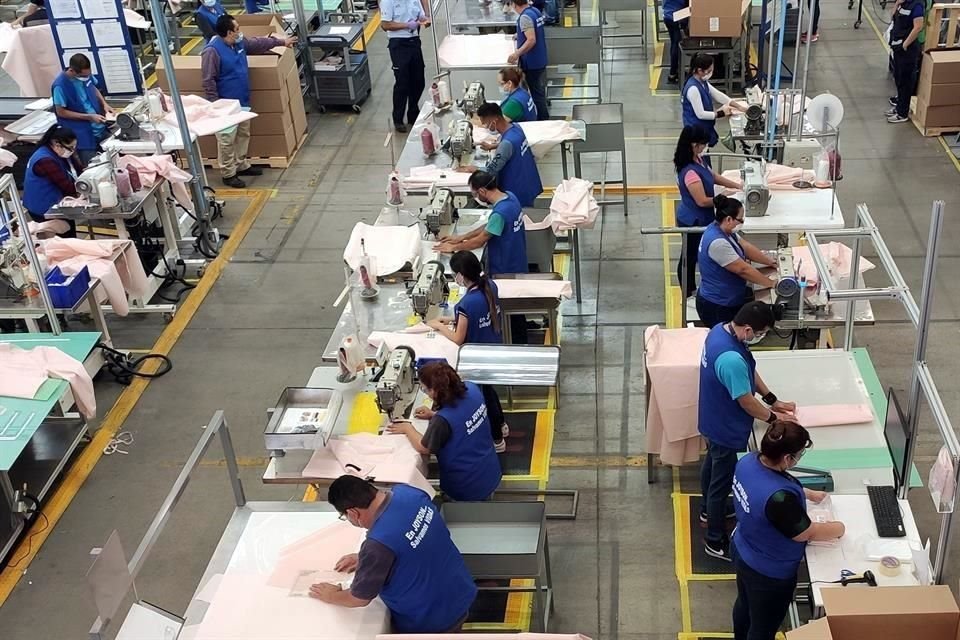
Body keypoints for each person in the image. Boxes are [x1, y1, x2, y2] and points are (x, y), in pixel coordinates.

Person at [309, 475, 477, 633]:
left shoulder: (378, 545)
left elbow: (358, 598)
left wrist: (332, 595)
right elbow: (411, 540)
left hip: (430, 619)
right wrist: (366, 559)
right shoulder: (409, 492)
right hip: (458, 591)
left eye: (345, 516)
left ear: (353, 513)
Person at [698, 300, 796, 561]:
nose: (761, 338)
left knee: (713, 464)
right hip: (724, 426)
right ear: (749, 330)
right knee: (721, 482)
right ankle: (715, 540)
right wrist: (775, 418)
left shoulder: (721, 331)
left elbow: (748, 371)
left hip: (712, 416)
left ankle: (707, 510)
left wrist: (773, 399)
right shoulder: (729, 358)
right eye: (761, 333)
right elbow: (745, 400)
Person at [732, 421, 845, 639]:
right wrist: (838, 528)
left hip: (743, 549)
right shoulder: (778, 499)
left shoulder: (749, 461)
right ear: (787, 458)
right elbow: (805, 532)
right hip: (767, 573)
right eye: (799, 454)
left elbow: (766, 482)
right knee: (763, 626)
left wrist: (805, 493)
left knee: (745, 605)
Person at [426, 250, 511, 452]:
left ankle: (497, 439)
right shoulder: (490, 286)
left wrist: (439, 326)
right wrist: (452, 320)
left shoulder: (466, 303)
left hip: (477, 357)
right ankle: (501, 424)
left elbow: (458, 339)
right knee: (491, 390)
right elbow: (481, 315)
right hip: (493, 348)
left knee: (485, 396)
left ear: (461, 276)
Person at [201, 14, 297, 187]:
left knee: (243, 134)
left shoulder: (238, 43)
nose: (240, 32)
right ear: (229, 32)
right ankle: (228, 173)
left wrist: (281, 42)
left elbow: (256, 44)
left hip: (242, 101)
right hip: (225, 106)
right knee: (226, 140)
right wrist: (216, 106)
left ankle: (241, 164)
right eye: (237, 29)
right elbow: (208, 80)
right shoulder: (212, 51)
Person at [388, 361, 503, 497]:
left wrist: (408, 428)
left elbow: (425, 447)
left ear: (435, 391)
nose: (426, 394)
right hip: (489, 471)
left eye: (425, 390)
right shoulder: (472, 389)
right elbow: (464, 415)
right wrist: (433, 414)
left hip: (465, 486)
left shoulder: (442, 421)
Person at [673, 125, 741, 299]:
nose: (705, 147)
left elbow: (713, 176)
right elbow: (702, 200)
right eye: (702, 144)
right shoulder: (689, 172)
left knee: (694, 254)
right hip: (693, 220)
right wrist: (723, 197)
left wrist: (737, 185)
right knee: (689, 257)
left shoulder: (698, 159)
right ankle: (689, 293)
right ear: (693, 144)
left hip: (702, 217)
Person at [695, 195, 778, 329]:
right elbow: (743, 270)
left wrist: (770, 261)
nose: (742, 222)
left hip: (728, 298)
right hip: (718, 305)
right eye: (740, 219)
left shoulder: (723, 230)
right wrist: (772, 283)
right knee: (727, 337)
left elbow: (745, 246)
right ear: (729, 219)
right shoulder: (718, 243)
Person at [435, 171, 528, 275]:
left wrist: (453, 247)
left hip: (506, 267)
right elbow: (490, 226)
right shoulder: (510, 197)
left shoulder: (500, 213)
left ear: (482, 191)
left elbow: (479, 242)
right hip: (518, 258)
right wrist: (461, 238)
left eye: (475, 194)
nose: (476, 197)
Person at [458, 103, 543, 208]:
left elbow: (490, 171)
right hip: (529, 181)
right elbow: (514, 144)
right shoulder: (516, 128)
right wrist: (493, 146)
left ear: (495, 120)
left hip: (516, 189)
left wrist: (474, 169)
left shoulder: (506, 145)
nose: (486, 127)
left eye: (486, 123)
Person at [52, 54, 114, 167]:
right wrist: (89, 117)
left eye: (88, 75)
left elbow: (93, 88)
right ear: (72, 70)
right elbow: (61, 112)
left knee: (114, 160)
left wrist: (104, 104)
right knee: (94, 168)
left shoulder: (85, 75)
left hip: (100, 128)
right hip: (83, 135)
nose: (86, 77)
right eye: (83, 75)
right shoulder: (60, 86)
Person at [380, 0, 431, 133]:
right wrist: (406, 25)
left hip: (414, 41)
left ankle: (413, 113)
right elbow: (385, 24)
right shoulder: (388, 2)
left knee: (418, 81)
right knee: (402, 83)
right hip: (398, 44)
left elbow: (420, 14)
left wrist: (424, 19)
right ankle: (398, 118)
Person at [23, 126, 81, 237]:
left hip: (56, 200)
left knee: (69, 234)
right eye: (70, 148)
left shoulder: (60, 151)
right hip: (44, 207)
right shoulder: (45, 160)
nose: (72, 151)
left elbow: (77, 168)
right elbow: (65, 186)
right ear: (56, 144)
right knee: (63, 241)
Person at [682, 53, 742, 158]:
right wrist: (721, 113)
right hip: (696, 134)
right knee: (700, 163)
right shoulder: (693, 89)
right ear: (700, 71)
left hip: (703, 130)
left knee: (705, 162)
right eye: (709, 71)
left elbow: (718, 95)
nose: (711, 73)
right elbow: (700, 114)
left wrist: (739, 106)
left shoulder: (702, 81)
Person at [507, 0, 550, 120]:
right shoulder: (534, 11)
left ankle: (543, 120)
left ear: (514, 4)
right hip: (540, 58)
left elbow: (531, 40)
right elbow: (533, 29)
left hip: (532, 63)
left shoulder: (524, 17)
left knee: (536, 94)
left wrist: (516, 54)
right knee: (538, 92)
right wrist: (519, 34)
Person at [887, 0, 924, 124]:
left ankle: (902, 113)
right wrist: (897, 3)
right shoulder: (903, 3)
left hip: (908, 51)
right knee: (898, 78)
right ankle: (899, 107)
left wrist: (905, 45)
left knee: (906, 81)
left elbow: (918, 26)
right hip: (898, 48)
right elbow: (892, 18)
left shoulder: (917, 5)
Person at [662, 0, 688, 84]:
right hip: (676, 18)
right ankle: (672, 74)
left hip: (667, 16)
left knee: (673, 44)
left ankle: (676, 71)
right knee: (677, 46)